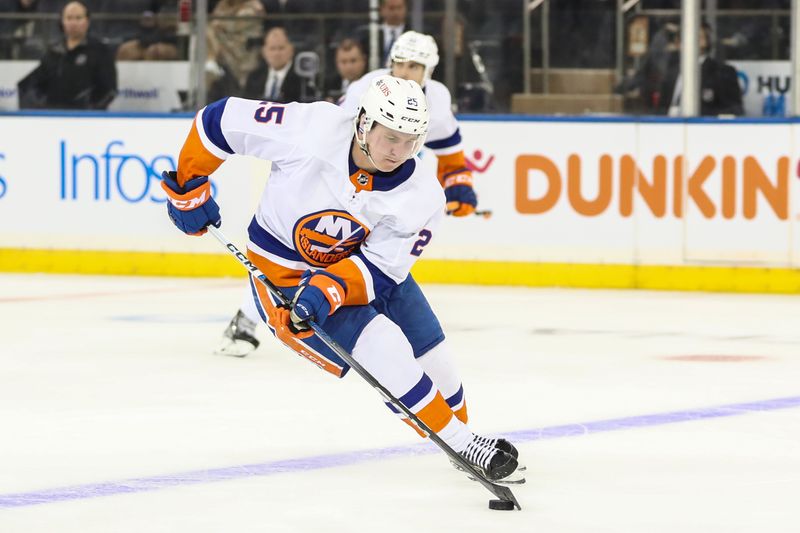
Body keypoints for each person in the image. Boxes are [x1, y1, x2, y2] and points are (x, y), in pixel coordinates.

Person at [160, 75, 525, 485]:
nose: (399, 152)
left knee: (433, 351)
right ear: (365, 123)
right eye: (391, 137)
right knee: (382, 347)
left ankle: (460, 431)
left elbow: (384, 268)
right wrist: (188, 186)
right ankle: (462, 443)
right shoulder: (311, 128)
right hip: (285, 277)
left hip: (365, 271)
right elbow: (220, 120)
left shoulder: (423, 192)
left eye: (411, 141)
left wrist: (330, 288)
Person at [219, 30, 479, 357]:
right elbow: (336, 138)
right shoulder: (368, 90)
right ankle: (247, 317)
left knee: (368, 266)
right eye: (399, 63)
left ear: (429, 71)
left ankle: (366, 329)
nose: (404, 71)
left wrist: (460, 186)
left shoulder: (436, 100)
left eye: (414, 66)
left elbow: (450, 151)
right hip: (336, 189)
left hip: (380, 197)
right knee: (299, 257)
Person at [17, 0, 117, 109]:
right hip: (55, 118)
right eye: (69, 18)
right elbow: (33, 85)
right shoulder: (53, 52)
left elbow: (109, 90)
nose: (73, 23)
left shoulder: (100, 50)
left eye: (78, 18)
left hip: (87, 119)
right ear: (62, 21)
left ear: (87, 21)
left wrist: (90, 110)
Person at [657, 22, 743, 116]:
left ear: (706, 41)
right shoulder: (671, 72)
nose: (690, 41)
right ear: (678, 43)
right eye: (684, 37)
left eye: (698, 37)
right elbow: (659, 109)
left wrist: (698, 119)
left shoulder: (722, 72)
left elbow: (735, 110)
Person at [205, 0, 265, 98]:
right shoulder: (223, 4)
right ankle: (211, 61)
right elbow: (215, 20)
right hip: (226, 49)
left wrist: (221, 24)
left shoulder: (254, 6)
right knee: (207, 32)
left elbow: (232, 25)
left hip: (246, 51)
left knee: (210, 32)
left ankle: (211, 60)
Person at [243, 26, 304, 103]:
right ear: (264, 51)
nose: (276, 53)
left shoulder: (302, 80)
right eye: (272, 48)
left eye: (281, 48)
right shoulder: (254, 77)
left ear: (291, 49)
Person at [115, 0, 179, 61]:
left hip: (174, 42)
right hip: (152, 36)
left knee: (154, 51)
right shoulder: (154, 6)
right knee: (126, 50)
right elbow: (147, 22)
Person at [356, 0, 408, 66]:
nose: (396, 12)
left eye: (399, 8)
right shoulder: (368, 35)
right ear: (382, 9)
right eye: (391, 8)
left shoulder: (414, 35)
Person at [324, 38, 367, 102]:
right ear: (336, 62)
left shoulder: (372, 85)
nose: (349, 67)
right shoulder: (327, 87)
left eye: (353, 61)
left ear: (364, 60)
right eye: (344, 62)